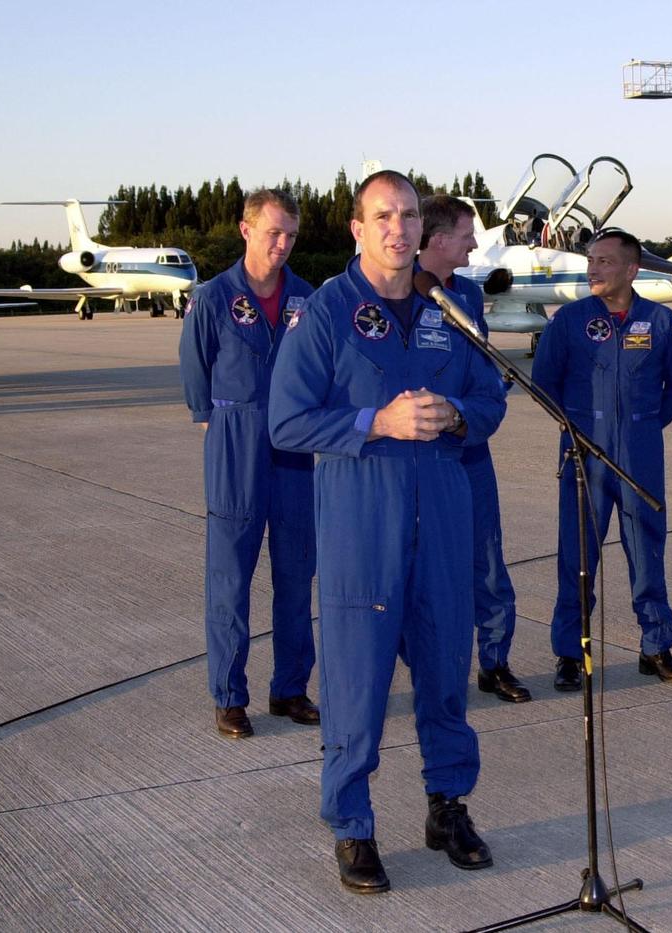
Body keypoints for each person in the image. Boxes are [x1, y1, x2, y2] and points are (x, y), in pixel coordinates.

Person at [268, 171, 507, 895]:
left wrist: (458, 414)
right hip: (361, 523)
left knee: (443, 671)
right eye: (383, 216)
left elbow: (491, 395)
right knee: (357, 683)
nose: (398, 229)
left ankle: (447, 806)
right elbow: (286, 419)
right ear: (358, 228)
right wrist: (376, 421)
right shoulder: (327, 312)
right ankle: (353, 824)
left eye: (407, 215)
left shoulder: (453, 305)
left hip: (441, 510)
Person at [178, 188, 318, 739]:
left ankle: (289, 689)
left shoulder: (308, 299)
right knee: (230, 577)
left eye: (290, 235)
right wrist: (220, 424)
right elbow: (197, 374)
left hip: (295, 447)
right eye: (273, 232)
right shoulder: (212, 298)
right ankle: (229, 696)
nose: (282, 244)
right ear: (246, 230)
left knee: (295, 576)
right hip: (235, 441)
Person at [531, 229, 672, 691]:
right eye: (591, 261)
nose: (593, 270)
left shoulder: (662, 321)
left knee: (646, 550)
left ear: (631, 269)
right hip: (584, 453)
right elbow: (544, 382)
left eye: (604, 261)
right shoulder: (568, 320)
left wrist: (645, 425)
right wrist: (579, 426)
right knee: (577, 555)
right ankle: (569, 653)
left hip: (640, 453)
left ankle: (656, 645)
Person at [417, 195, 530, 704]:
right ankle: (434, 669)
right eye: (467, 235)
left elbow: (483, 371)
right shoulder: (396, 293)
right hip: (416, 454)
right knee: (420, 569)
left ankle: (494, 661)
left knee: (486, 562)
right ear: (438, 239)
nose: (475, 244)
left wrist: (473, 414)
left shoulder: (466, 294)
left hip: (468, 448)